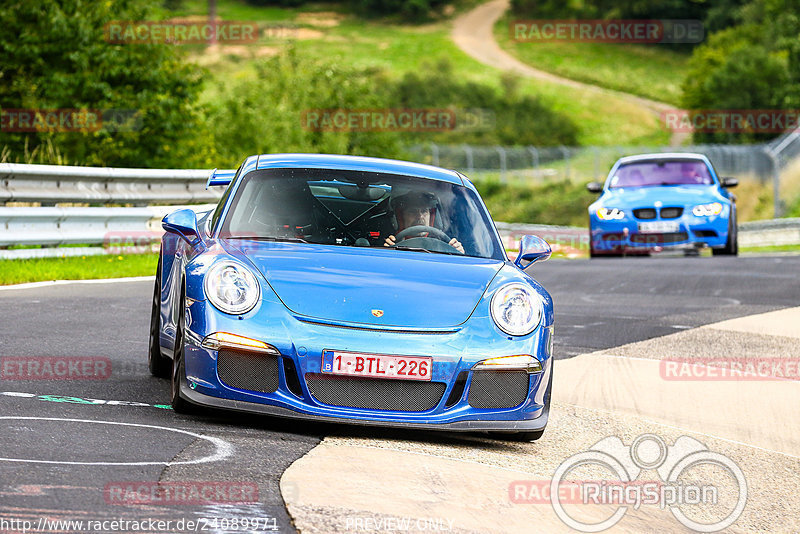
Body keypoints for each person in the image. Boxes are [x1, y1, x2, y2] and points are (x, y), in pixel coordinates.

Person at [383, 190, 464, 253]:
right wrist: (387, 252)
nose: (420, 216)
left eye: (424, 211)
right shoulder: (391, 242)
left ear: (431, 216)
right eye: (412, 211)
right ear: (401, 217)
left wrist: (457, 252)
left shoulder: (443, 244)